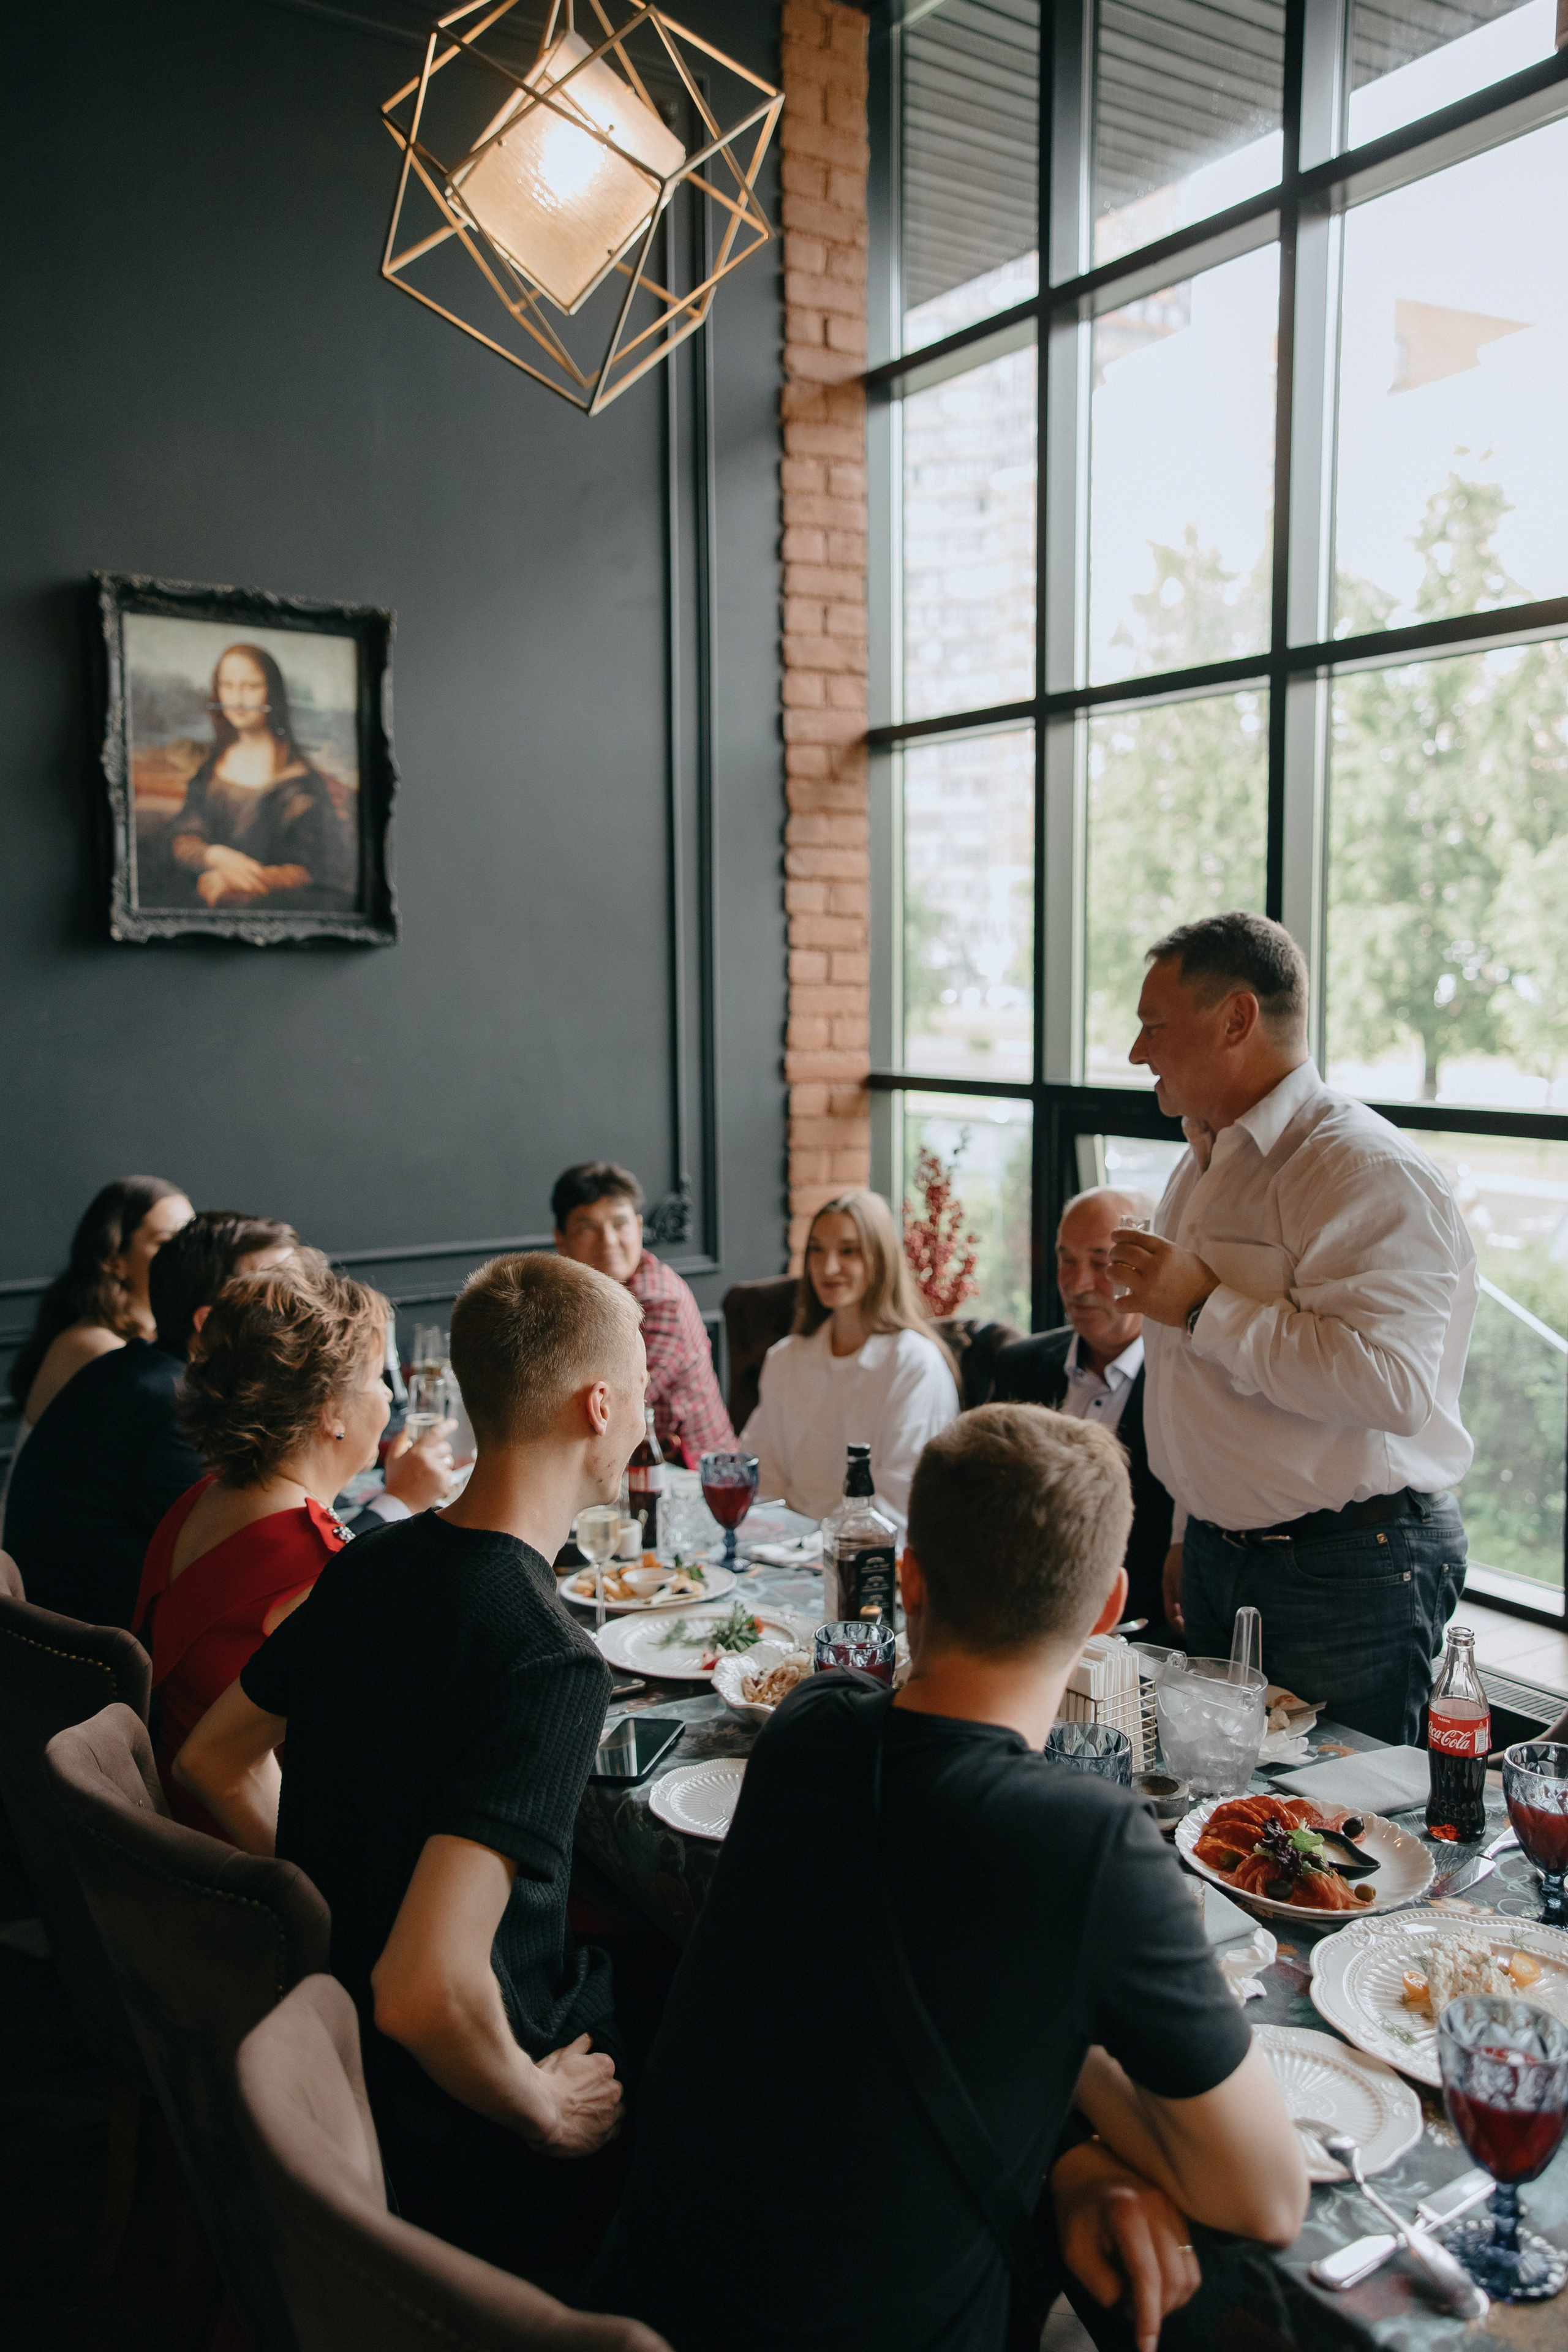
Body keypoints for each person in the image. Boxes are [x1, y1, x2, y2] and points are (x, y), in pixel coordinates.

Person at [587, 1406, 1308, 2352]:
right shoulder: (1089, 1841)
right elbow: (1265, 2196)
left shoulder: (812, 1725)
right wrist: (1080, 2078)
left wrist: (1067, 2155)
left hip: (644, 2308)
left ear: (910, 1578)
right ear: (1105, 1609)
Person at [176, 1253, 646, 2291]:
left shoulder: (371, 1561)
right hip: (467, 2134)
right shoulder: (549, 1656)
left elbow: (211, 1758)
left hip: (340, 2072)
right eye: (645, 1387)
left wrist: (351, 1899)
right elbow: (424, 1992)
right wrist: (542, 2110)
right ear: (599, 1404)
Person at [1111, 911, 1478, 1744]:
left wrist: (1204, 1304)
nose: (1138, 1053)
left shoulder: (1363, 1170)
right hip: (1218, 1554)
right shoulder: (1200, 1161)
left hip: (1346, 1569)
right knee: (1219, 1815)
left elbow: (1393, 1386)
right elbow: (1188, 1377)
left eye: (1154, 1027)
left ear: (1235, 1019)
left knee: (1345, 1839)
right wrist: (1189, 1525)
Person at [4, 1212, 447, 1624]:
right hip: (100, 1659)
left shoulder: (142, 1374)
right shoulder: (169, 1405)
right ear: (216, 1316)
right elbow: (276, 1566)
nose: (303, 1301)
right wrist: (399, 1502)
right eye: (278, 1286)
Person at [134, 1267, 391, 1836]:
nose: (390, 1395)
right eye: (378, 1377)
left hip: (175, 1836)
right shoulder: (318, 1565)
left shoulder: (201, 1499)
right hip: (249, 1868)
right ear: (331, 1411)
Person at [991, 1186, 1177, 1642]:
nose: (1077, 1285)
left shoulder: (1183, 1386)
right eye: (1067, 1260)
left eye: (1101, 1262)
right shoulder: (1020, 1366)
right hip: (1015, 1627)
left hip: (1141, 1640)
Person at [741, 1189, 959, 1531]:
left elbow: (902, 1506)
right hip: (784, 1551)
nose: (828, 1268)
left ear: (880, 1258)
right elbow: (762, 1475)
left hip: (870, 1559)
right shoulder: (786, 1358)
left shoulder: (914, 1364)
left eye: (848, 1251)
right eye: (817, 1250)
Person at [552, 1161, 736, 1466]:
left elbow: (620, 1404)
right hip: (630, 1463)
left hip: (695, 1477)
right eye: (588, 1227)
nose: (609, 1241)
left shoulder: (660, 1302)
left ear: (638, 1227)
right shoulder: (580, 1293)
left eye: (620, 1224)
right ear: (562, 1239)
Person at [164, 643, 354, 910]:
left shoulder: (300, 782)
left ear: (271, 693)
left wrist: (242, 880)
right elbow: (182, 838)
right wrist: (217, 857)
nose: (237, 699)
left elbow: (324, 869)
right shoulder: (211, 769)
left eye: (251, 686)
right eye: (227, 686)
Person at [6, 1175, 193, 1446]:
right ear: (114, 1260)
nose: (189, 1252)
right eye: (167, 1243)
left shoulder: (154, 1332)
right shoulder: (95, 1345)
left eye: (193, 1236)